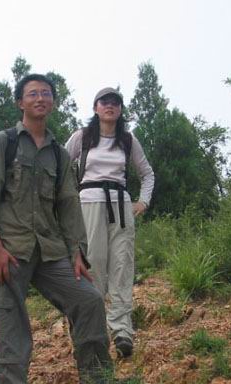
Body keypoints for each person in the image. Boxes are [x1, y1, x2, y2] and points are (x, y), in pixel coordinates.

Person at [0, 74, 115, 384]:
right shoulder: (3, 142)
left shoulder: (58, 153)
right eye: (32, 93)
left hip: (51, 249)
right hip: (10, 250)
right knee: (10, 325)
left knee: (88, 300)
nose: (40, 98)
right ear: (20, 102)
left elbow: (68, 204)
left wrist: (77, 252)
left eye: (46, 93)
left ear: (53, 101)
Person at [64, 87, 155, 359]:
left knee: (122, 266)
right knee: (93, 267)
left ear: (120, 109)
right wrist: (66, 202)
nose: (110, 106)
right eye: (104, 102)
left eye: (115, 102)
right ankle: (91, 334)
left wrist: (143, 202)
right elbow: (60, 166)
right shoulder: (83, 136)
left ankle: (122, 331)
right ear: (96, 108)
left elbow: (147, 173)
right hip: (89, 202)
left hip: (121, 205)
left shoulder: (127, 139)